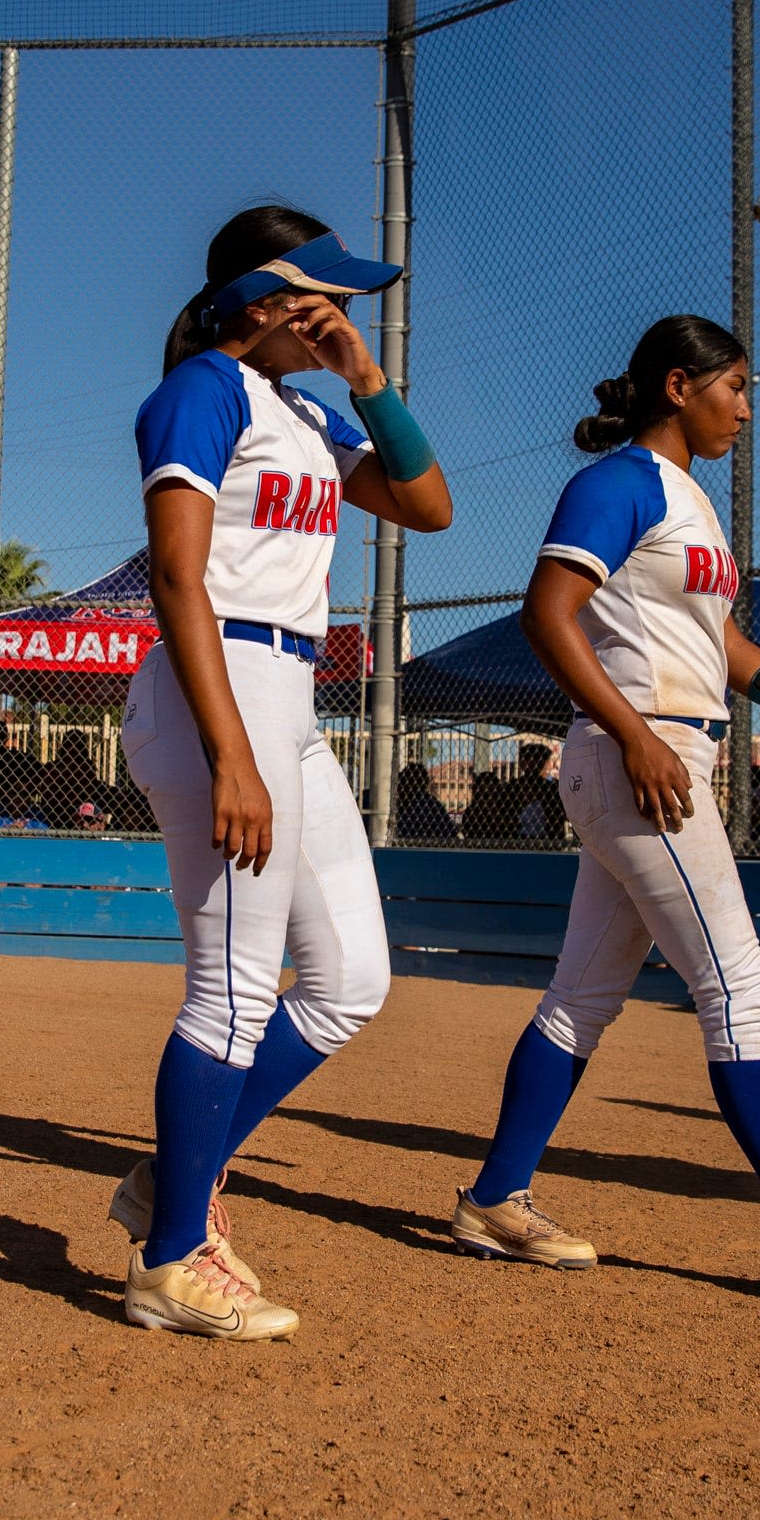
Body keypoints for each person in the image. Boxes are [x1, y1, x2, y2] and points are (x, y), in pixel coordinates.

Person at [446, 314, 760, 1297]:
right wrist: (633, 734)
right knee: (738, 987)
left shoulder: (693, 507)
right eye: (736, 387)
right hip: (644, 757)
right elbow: (547, 612)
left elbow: (728, 648)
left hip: (664, 752)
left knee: (582, 999)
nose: (748, 409)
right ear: (680, 385)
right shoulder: (619, 483)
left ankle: (495, 1198)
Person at [107, 206, 451, 1341]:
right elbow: (174, 574)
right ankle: (168, 1261)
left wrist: (365, 376)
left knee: (350, 978)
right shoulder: (202, 388)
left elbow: (428, 507)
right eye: (328, 296)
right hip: (224, 683)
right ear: (263, 302)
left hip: (288, 693)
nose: (346, 308)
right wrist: (231, 752)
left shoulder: (301, 409)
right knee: (234, 990)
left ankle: (173, 1179)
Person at [392, 762, 456, 843]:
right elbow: (452, 832)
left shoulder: (410, 806)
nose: (398, 788)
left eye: (400, 783)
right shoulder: (434, 804)